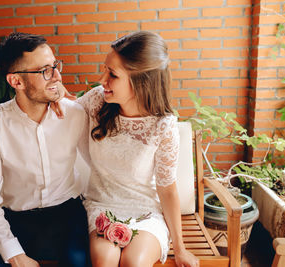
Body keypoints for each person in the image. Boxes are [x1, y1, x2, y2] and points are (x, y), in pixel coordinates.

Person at [76, 31, 200, 267]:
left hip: (145, 210)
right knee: (104, 259)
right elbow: (63, 116)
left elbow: (167, 189)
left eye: (112, 74)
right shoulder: (96, 101)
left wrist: (181, 249)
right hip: (102, 203)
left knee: (134, 262)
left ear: (142, 82)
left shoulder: (163, 126)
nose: (102, 80)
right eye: (105, 70)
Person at [0, 32, 90, 267]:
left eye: (56, 66)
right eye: (44, 70)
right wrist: (15, 255)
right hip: (17, 219)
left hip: (67, 215)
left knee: (78, 262)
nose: (57, 76)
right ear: (16, 81)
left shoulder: (75, 114)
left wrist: (56, 89)